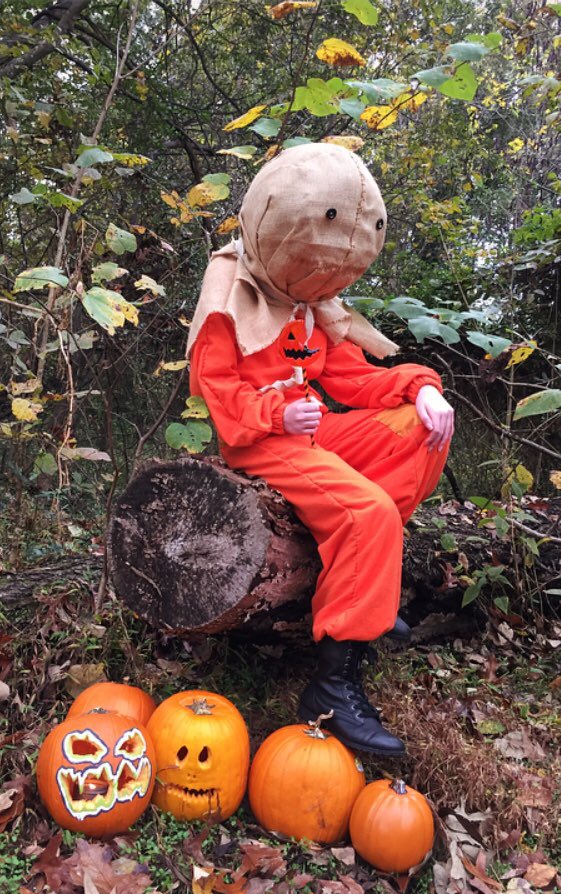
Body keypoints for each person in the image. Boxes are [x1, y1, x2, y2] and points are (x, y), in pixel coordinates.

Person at [186, 142, 454, 756]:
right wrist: (278, 410)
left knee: (419, 430)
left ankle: (365, 576)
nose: (325, 285)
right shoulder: (231, 299)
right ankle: (332, 689)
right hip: (261, 443)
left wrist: (422, 389)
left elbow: (352, 379)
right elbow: (221, 401)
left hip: (311, 432)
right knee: (369, 513)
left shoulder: (311, 309)